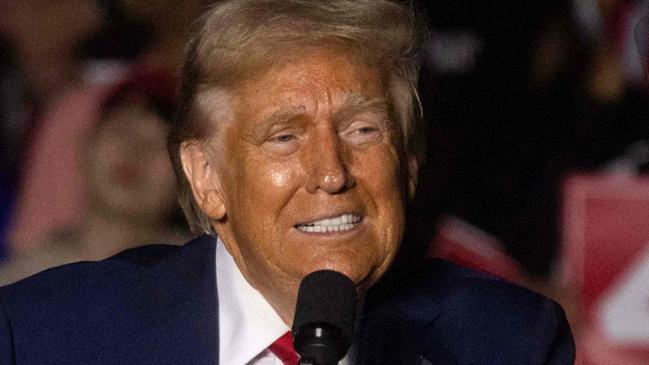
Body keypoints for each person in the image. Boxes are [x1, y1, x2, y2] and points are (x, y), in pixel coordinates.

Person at [0, 1, 575, 364]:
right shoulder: (43, 336)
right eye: (284, 136)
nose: (331, 172)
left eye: (364, 129)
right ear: (206, 179)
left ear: (408, 167)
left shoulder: (509, 341)